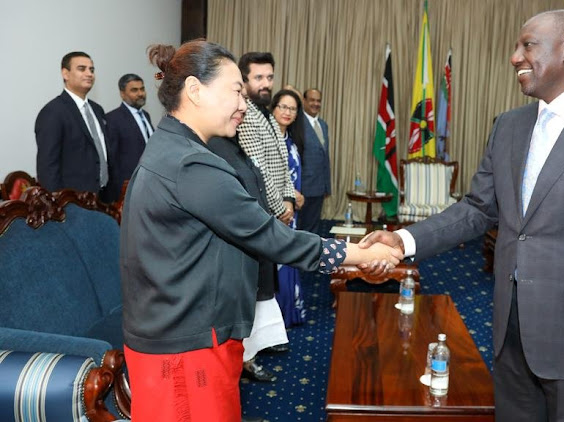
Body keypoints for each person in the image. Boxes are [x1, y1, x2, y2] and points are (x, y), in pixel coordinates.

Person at [359, 9, 564, 421]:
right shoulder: (508, 126)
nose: (514, 57)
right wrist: (403, 240)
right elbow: (477, 209)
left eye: (527, 45)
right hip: (510, 332)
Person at [120, 40, 401, 422]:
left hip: (183, 333)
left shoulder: (172, 146)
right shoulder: (190, 164)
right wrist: (361, 256)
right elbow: (270, 235)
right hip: (187, 348)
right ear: (194, 90)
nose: (243, 103)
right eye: (236, 90)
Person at [235, 51, 294, 377]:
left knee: (265, 287)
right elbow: (258, 170)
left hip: (276, 208)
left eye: (269, 77)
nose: (265, 83)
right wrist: (278, 207)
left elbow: (281, 166)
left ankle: (254, 351)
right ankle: (246, 359)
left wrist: (288, 198)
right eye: (258, 77)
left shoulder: (268, 115)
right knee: (254, 290)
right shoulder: (244, 115)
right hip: (260, 213)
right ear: (244, 80)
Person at [35, 51, 118, 202]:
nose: (89, 74)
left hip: (103, 199)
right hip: (72, 203)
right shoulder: (53, 112)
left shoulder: (97, 110)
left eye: (91, 70)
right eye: (82, 68)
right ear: (65, 74)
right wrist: (59, 205)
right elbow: (47, 167)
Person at [271, 89, 307, 327]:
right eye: (282, 106)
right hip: (273, 213)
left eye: (292, 109)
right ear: (272, 109)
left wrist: (297, 197)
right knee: (276, 267)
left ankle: (289, 314)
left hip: (291, 214)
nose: (286, 112)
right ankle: (274, 322)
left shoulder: (292, 142)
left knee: (289, 261)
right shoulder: (267, 141)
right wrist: (288, 195)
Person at [106, 74, 153, 188]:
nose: (140, 94)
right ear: (122, 94)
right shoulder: (112, 119)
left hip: (151, 182)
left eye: (142, 89)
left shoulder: (145, 115)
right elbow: (112, 160)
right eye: (134, 90)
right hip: (129, 185)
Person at [298, 88, 331, 235]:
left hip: (319, 187)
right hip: (303, 187)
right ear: (304, 101)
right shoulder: (297, 123)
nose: (315, 103)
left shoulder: (323, 125)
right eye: (312, 100)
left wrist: (327, 186)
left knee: (314, 227)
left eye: (318, 100)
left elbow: (325, 157)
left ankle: (312, 256)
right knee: (301, 228)